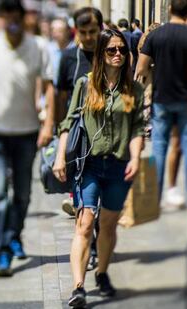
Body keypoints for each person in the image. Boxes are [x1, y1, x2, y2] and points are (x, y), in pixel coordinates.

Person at [53, 29, 144, 308]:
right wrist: (59, 157)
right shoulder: (86, 84)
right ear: (101, 54)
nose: (118, 55)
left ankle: (102, 273)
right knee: (85, 222)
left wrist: (136, 158)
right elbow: (68, 122)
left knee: (108, 224)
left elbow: (138, 127)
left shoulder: (133, 89)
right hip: (89, 164)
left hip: (118, 166)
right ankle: (78, 286)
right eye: (111, 50)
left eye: (122, 50)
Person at [0, 0, 54, 277]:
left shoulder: (37, 45)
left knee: (23, 195)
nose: (12, 22)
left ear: (23, 18)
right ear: (1, 18)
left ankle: (15, 234)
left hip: (26, 132)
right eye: (7, 17)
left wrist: (48, 124)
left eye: (16, 16)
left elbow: (49, 86)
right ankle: (3, 251)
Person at [136, 0, 187, 209]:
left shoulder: (156, 35)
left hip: (161, 99)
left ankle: (154, 199)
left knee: (159, 147)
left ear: (171, 9)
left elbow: (141, 68)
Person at [55, 6, 103, 272]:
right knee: (83, 197)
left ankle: (96, 239)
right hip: (76, 135)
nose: (88, 37)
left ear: (100, 29)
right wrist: (57, 129)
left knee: (101, 197)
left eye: (93, 31)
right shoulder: (67, 58)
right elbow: (60, 95)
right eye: (83, 32)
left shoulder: (110, 52)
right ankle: (88, 244)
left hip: (105, 134)